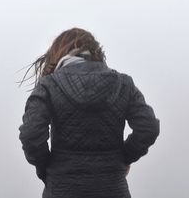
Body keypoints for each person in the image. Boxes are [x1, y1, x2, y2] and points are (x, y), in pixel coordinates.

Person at [18, 27, 160, 198]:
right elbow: (148, 127)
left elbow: (31, 133)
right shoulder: (124, 84)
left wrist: (45, 168)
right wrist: (123, 159)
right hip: (113, 188)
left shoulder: (49, 85)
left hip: (62, 189)